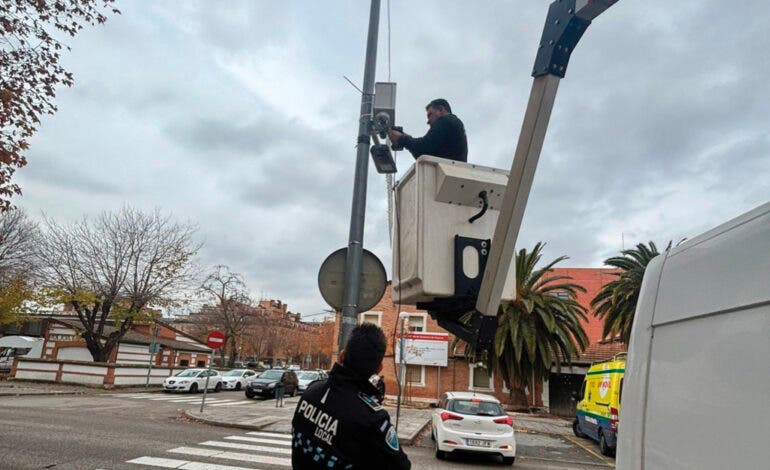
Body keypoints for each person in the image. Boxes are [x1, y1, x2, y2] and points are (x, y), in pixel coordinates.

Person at [291, 323, 411, 469]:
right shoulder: (372, 419)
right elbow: (402, 466)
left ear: (342, 355)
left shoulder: (311, 391)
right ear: (378, 369)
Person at [388, 98, 468, 162]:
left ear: (441, 110)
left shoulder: (446, 120)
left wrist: (402, 139)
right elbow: (424, 154)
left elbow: (424, 149)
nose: (428, 121)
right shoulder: (453, 123)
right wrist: (405, 137)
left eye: (430, 115)